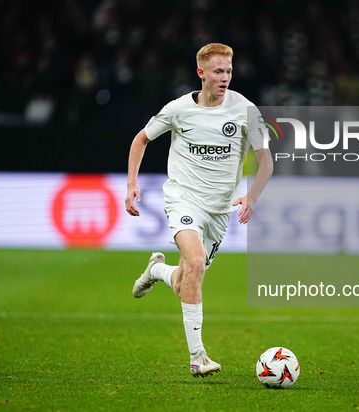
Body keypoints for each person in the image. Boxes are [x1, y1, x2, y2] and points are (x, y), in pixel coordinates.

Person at [125, 43, 273, 376]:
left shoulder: (246, 110)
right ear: (201, 73)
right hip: (183, 198)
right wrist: (132, 183)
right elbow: (141, 139)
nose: (225, 78)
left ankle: (156, 271)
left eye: (229, 72)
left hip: (219, 211)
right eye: (218, 72)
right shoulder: (178, 109)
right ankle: (198, 356)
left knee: (185, 280)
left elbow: (266, 161)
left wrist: (252, 196)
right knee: (193, 262)